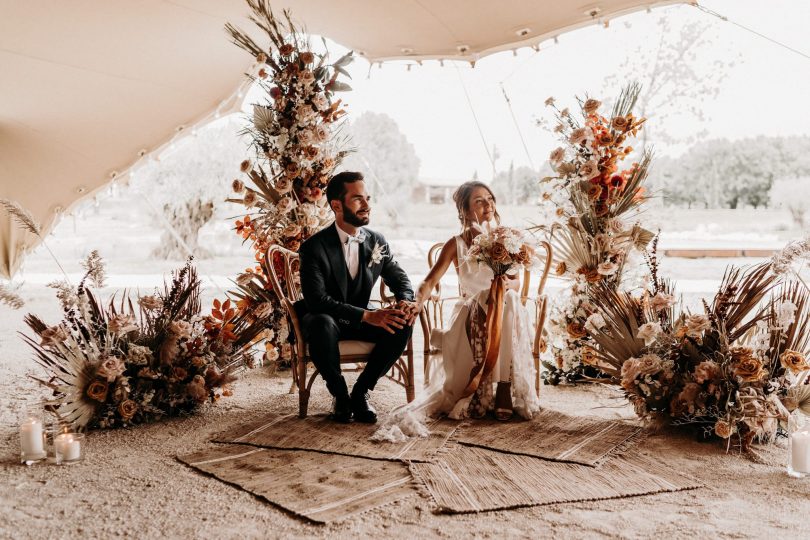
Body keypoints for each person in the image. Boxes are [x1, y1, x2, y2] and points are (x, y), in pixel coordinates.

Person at [374, 181, 539, 440]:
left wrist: (508, 283)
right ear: (463, 210)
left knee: (505, 301)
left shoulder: (507, 239)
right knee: (494, 299)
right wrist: (418, 302)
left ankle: (504, 387)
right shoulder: (456, 244)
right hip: (470, 313)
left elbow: (517, 282)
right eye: (479, 201)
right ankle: (498, 387)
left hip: (506, 310)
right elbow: (429, 281)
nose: (488, 205)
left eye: (490, 199)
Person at [296, 171, 418, 424]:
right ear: (337, 205)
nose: (367, 206)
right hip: (325, 319)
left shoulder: (376, 241)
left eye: (367, 198)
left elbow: (400, 278)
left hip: (362, 318)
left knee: (402, 321)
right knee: (321, 322)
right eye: (358, 199)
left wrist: (405, 300)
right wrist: (367, 315)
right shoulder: (314, 248)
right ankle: (340, 396)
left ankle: (361, 393)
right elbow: (317, 300)